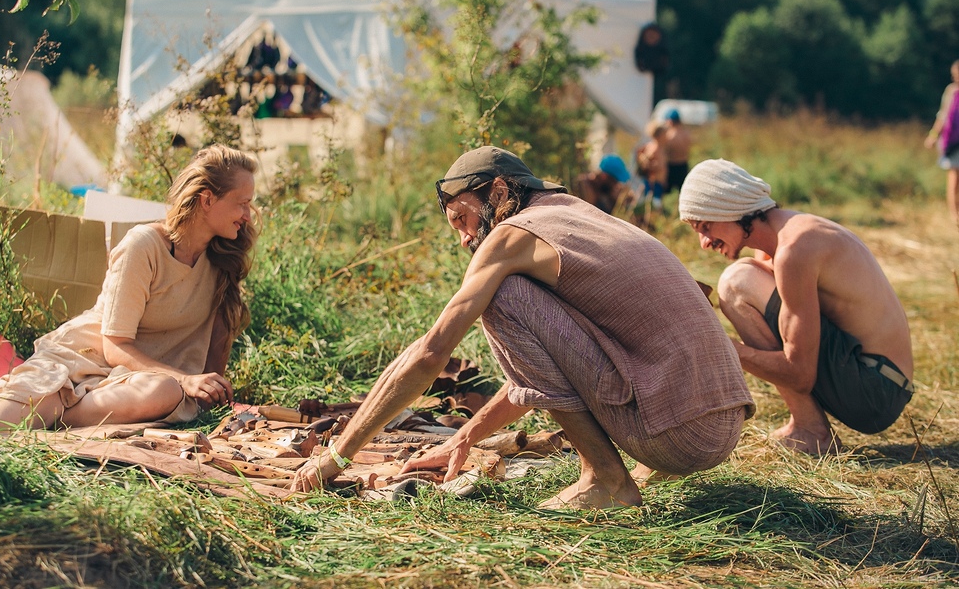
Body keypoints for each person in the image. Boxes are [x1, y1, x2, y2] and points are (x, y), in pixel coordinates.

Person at [292, 146, 754, 509]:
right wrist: (463, 438)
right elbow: (550, 364)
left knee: (502, 296)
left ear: (497, 191)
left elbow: (431, 355)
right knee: (512, 296)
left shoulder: (511, 236)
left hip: (676, 437)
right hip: (721, 427)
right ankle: (622, 472)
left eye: (463, 219)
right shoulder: (576, 215)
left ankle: (606, 480)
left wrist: (337, 455)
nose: (465, 238)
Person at [0, 145, 259, 429]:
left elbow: (211, 369)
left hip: (143, 386)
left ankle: (58, 416)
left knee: (163, 392)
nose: (248, 215)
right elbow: (115, 347)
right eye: (242, 203)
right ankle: (50, 409)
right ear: (207, 200)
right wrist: (186, 380)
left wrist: (205, 389)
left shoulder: (223, 261)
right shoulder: (144, 246)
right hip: (81, 362)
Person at [678, 159, 914, 455]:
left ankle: (811, 430)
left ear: (728, 207)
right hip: (882, 383)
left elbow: (799, 374)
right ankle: (809, 427)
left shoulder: (795, 249)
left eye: (705, 226)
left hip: (875, 391)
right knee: (745, 273)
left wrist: (726, 348)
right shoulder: (787, 234)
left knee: (737, 282)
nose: (704, 242)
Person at [924, 60, 959, 229]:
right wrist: (933, 135)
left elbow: (942, 116)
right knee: (953, 178)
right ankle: (955, 216)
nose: (954, 77)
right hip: (953, 142)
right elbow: (943, 116)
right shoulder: (951, 91)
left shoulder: (952, 91)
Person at [637, 121, 668, 209]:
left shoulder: (656, 147)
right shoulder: (654, 148)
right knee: (655, 204)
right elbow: (644, 160)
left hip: (658, 182)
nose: (667, 137)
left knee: (655, 203)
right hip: (654, 183)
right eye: (665, 134)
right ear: (659, 135)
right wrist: (653, 165)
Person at [662, 109, 693, 193]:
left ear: (670, 121)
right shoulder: (686, 134)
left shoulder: (670, 135)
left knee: (665, 192)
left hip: (672, 166)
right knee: (683, 192)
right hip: (683, 165)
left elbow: (664, 152)